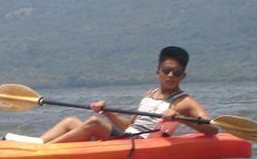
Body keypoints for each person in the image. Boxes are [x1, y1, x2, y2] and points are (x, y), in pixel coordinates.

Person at [39, 46, 218, 144]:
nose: (171, 75)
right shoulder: (150, 93)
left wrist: (179, 118)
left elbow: (213, 129)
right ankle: (35, 144)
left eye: (177, 72)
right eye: (167, 70)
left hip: (142, 142)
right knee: (70, 120)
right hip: (128, 136)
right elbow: (128, 126)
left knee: (94, 123)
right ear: (158, 72)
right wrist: (106, 111)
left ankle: (45, 151)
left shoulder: (185, 102)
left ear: (183, 76)